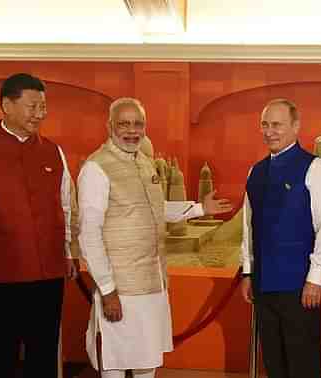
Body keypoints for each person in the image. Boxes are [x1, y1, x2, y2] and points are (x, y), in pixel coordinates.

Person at [78, 97, 232, 378]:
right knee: (115, 362)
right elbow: (89, 234)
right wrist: (108, 289)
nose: (132, 130)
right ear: (109, 126)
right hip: (121, 289)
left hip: (153, 285)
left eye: (138, 124)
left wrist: (199, 208)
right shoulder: (96, 168)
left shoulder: (145, 164)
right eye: (124, 124)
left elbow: (154, 209)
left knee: (147, 361)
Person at [0, 73, 77, 378]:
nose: (40, 114)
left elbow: (65, 206)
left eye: (43, 106)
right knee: (1, 347)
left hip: (49, 268)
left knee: (45, 347)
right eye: (32, 106)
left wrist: (68, 250)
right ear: (6, 105)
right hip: (4, 269)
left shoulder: (53, 151)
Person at [240, 98, 321, 378]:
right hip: (263, 284)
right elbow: (249, 226)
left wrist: (316, 278)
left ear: (296, 126)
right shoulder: (255, 172)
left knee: (302, 366)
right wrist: (248, 272)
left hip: (300, 287)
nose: (270, 131)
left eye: (277, 125)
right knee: (274, 364)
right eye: (265, 124)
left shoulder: (317, 169)